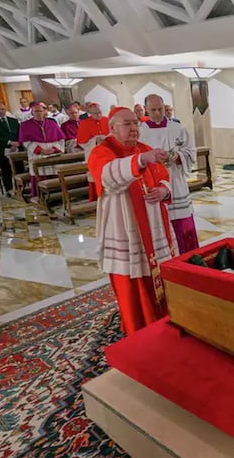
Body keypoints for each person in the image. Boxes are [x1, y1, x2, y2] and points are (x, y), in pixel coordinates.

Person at [88, 107, 176, 335]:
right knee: (131, 280)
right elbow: (107, 177)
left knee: (159, 276)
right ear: (112, 128)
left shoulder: (144, 149)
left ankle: (164, 320)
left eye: (136, 123)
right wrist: (139, 161)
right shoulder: (102, 151)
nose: (134, 128)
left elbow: (163, 177)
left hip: (153, 226)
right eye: (127, 124)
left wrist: (163, 191)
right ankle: (138, 329)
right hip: (125, 227)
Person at [140, 94, 199, 253]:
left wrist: (176, 156)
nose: (158, 113)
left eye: (160, 109)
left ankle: (189, 255)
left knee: (182, 220)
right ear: (145, 109)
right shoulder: (140, 132)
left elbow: (190, 151)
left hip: (175, 179)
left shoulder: (177, 128)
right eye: (153, 110)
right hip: (154, 181)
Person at [17, 101, 65, 199]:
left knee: (54, 172)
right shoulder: (25, 125)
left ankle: (57, 195)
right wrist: (39, 150)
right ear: (32, 112)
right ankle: (39, 196)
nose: (39, 113)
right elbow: (26, 142)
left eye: (40, 111)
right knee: (39, 173)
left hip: (53, 153)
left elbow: (61, 139)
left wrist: (55, 149)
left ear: (44, 112)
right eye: (36, 111)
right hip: (37, 154)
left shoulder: (52, 123)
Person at [0, 101, 21, 197]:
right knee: (6, 170)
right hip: (2, 148)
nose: (1, 111)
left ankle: (21, 188)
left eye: (3, 109)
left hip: (16, 147)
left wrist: (17, 143)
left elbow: (19, 133)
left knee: (19, 168)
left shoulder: (13, 120)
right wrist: (9, 142)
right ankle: (9, 189)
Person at [77, 102, 109, 201]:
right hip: (93, 154)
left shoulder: (107, 120)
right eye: (95, 113)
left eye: (99, 112)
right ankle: (95, 200)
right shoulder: (84, 123)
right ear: (90, 113)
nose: (98, 115)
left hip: (108, 153)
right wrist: (95, 140)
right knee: (94, 177)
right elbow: (81, 141)